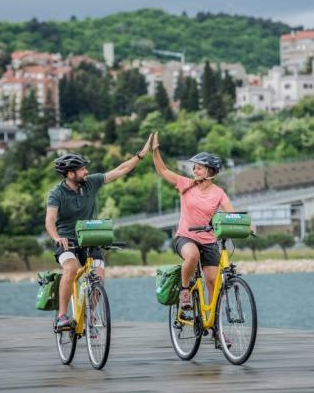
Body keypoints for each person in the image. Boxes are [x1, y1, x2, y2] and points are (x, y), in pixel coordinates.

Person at [46, 137, 151, 330]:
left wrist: (140, 156)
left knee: (99, 278)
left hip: (89, 238)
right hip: (66, 241)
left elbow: (121, 170)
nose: (86, 171)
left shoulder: (91, 183)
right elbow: (50, 221)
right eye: (82, 169)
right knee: (70, 269)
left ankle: (89, 314)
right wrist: (56, 238)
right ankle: (61, 316)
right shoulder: (56, 193)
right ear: (70, 174)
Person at [150, 132, 235, 311]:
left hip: (209, 240)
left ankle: (214, 325)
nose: (195, 171)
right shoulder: (185, 184)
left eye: (199, 168)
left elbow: (231, 213)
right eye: (194, 168)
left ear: (210, 172)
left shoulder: (218, 192)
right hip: (185, 237)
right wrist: (155, 151)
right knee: (192, 255)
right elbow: (163, 171)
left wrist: (246, 224)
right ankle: (185, 291)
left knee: (213, 283)